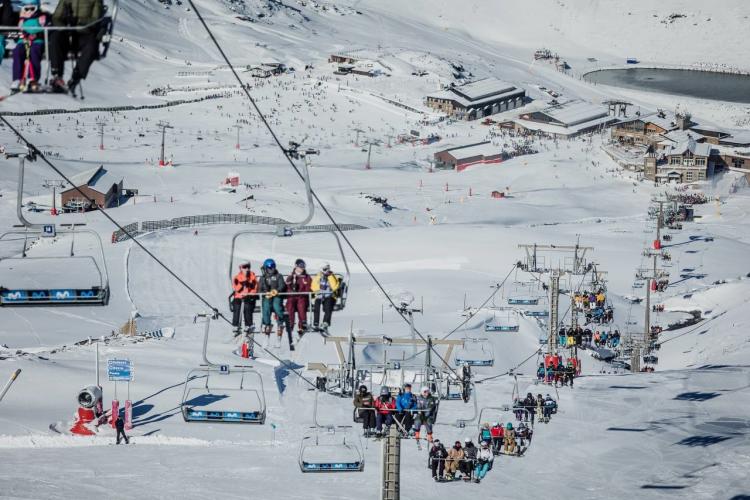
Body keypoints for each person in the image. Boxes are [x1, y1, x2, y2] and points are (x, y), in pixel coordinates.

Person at [49, 0, 104, 94]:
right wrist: (65, 27)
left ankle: (76, 76)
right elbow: (56, 17)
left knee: (91, 47)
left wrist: (78, 22)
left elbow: (95, 19)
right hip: (67, 32)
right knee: (55, 37)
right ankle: (57, 74)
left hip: (84, 33)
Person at [11, 0, 48, 93]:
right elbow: (15, 33)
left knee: (34, 53)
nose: (29, 11)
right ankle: (17, 79)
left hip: (36, 41)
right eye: (26, 8)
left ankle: (32, 78)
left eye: (32, 8)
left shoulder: (41, 17)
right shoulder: (21, 19)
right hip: (22, 41)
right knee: (17, 52)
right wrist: (23, 35)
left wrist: (37, 36)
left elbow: (47, 31)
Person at [259, 258, 286, 346]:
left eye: (273, 266)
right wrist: (265, 293)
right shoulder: (263, 278)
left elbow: (282, 285)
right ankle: (267, 325)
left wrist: (276, 291)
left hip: (276, 295)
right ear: (266, 267)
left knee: (276, 305)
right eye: (269, 267)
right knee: (266, 306)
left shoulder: (279, 276)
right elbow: (259, 289)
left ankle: (280, 322)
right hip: (267, 296)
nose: (272, 268)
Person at [285, 258, 312, 337]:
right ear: (296, 266)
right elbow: (287, 286)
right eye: (300, 266)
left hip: (302, 296)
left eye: (303, 266)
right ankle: (290, 323)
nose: (302, 268)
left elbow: (309, 287)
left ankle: (302, 324)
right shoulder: (291, 276)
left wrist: (306, 292)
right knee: (290, 304)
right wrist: (290, 283)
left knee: (301, 305)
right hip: (292, 296)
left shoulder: (306, 277)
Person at [311, 262, 339, 331]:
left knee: (328, 306)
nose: (327, 270)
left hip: (329, 295)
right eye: (325, 269)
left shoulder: (332, 276)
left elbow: (335, 287)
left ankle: (325, 322)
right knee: (316, 305)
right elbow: (313, 287)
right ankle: (316, 322)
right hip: (320, 295)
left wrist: (330, 276)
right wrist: (319, 281)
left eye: (328, 269)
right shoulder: (318, 277)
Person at [231, 262, 258, 336]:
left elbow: (255, 287)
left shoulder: (252, 276)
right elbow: (235, 288)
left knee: (247, 306)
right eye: (245, 267)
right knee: (237, 306)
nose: (247, 268)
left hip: (249, 296)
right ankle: (236, 325)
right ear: (241, 268)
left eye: (248, 266)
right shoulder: (237, 277)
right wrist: (242, 284)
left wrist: (250, 292)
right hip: (239, 296)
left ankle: (248, 324)